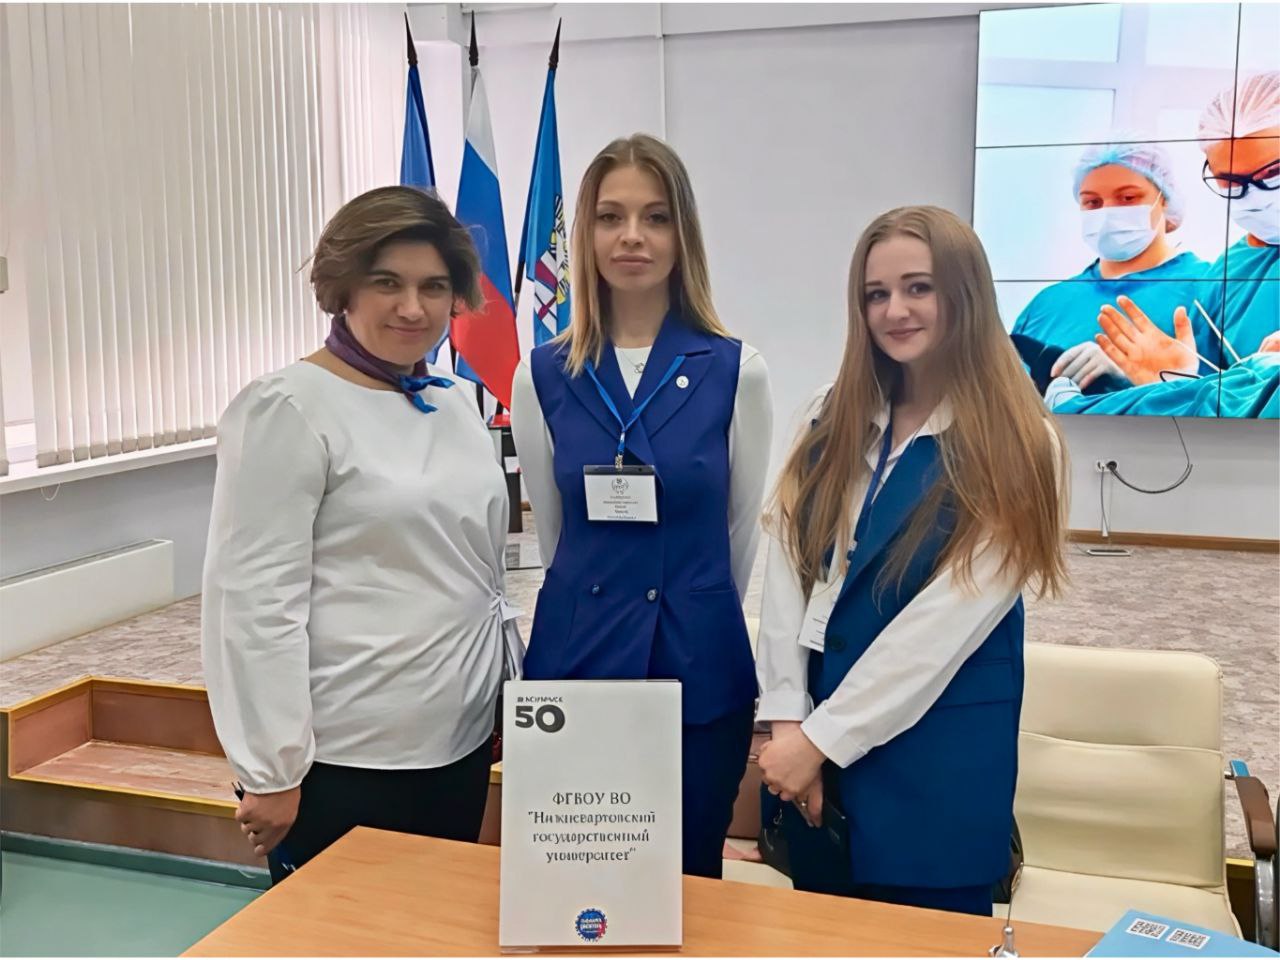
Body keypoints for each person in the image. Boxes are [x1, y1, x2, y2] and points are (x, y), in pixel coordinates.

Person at [202, 185, 521, 883]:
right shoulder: (289, 407)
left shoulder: (452, 402)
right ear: (343, 286)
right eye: (387, 283)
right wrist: (271, 768)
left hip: (459, 742)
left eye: (433, 287)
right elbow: (253, 603)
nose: (412, 307)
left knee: (434, 926)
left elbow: (472, 573)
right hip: (348, 757)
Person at [755, 206, 1067, 916]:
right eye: (876, 293)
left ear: (965, 293)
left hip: (935, 768)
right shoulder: (828, 413)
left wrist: (819, 742)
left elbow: (939, 632)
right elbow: (786, 572)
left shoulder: (1022, 445)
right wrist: (784, 718)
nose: (894, 310)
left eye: (918, 287)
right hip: (814, 763)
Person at [509, 133, 773, 879]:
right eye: (611, 217)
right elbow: (555, 533)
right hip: (578, 658)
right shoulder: (542, 374)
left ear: (682, 234)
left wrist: (690, 603)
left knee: (688, 880)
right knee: (575, 880)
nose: (632, 236)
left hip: (697, 663)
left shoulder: (736, 370)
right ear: (585, 235)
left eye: (655, 217)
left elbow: (738, 533)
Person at [1096, 72, 1280, 389]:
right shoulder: (1226, 278)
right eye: (1231, 182)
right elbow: (1212, 399)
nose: (1254, 196)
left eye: (1273, 174)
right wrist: (1175, 383)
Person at [1010, 139, 1209, 393]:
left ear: (1165, 200)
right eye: (1092, 202)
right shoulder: (1047, 304)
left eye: (1127, 198)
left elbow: (1245, 393)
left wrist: (1138, 379)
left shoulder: (1211, 288)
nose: (1108, 213)